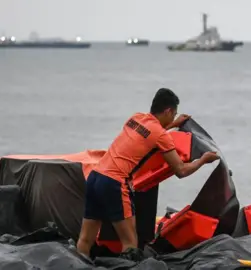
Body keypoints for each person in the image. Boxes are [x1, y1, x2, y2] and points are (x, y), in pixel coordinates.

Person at [76, 88, 219, 259]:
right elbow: (181, 171)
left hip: (95, 177)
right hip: (114, 183)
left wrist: (173, 124)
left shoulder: (135, 118)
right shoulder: (160, 135)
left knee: (85, 239)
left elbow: (149, 133)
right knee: (130, 243)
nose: (174, 118)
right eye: (174, 114)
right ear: (168, 111)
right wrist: (203, 160)